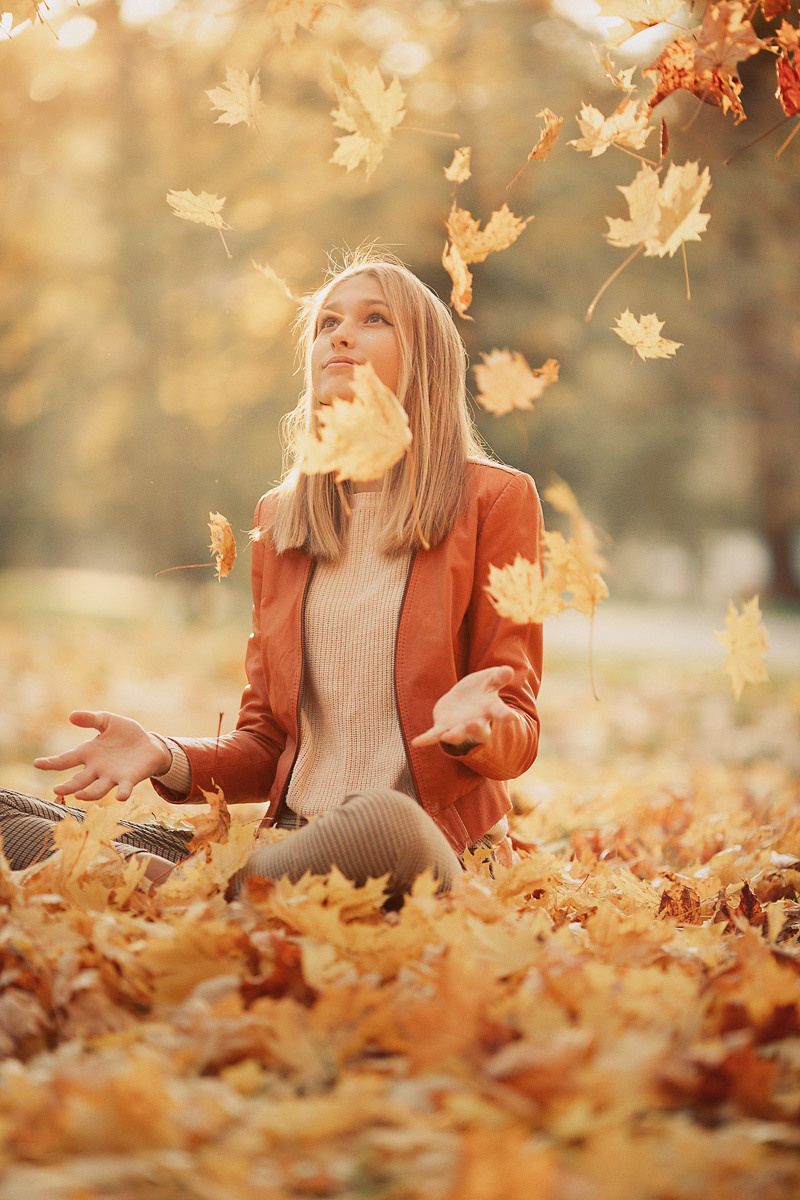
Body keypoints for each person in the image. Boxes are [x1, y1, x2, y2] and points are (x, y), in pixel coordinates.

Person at [1, 252, 544, 904]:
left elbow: (518, 732)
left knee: (388, 818)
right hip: (287, 845)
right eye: (327, 323)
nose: (340, 335)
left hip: (424, 844)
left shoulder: (496, 501)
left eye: (374, 319)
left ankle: (179, 897)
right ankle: (217, 898)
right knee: (8, 812)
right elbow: (268, 743)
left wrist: (475, 730)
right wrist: (162, 754)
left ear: (426, 359)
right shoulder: (283, 519)